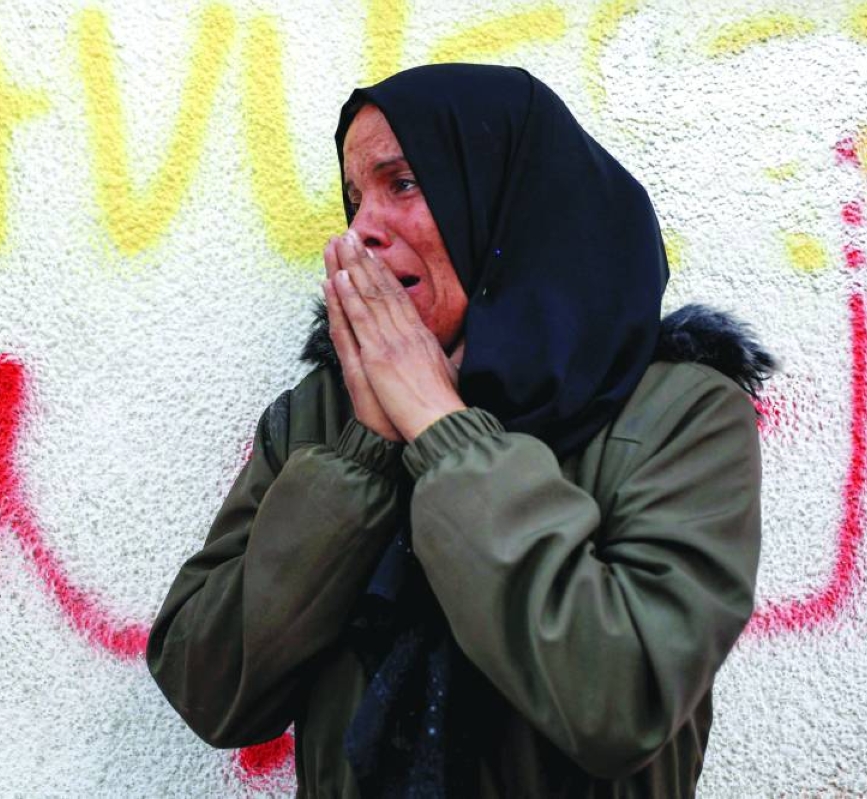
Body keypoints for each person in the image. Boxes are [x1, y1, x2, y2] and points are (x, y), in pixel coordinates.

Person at [147, 64, 773, 797]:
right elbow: (207, 686)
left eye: (402, 183)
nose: (365, 228)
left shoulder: (681, 414)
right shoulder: (322, 414)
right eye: (354, 199)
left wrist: (443, 433)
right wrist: (365, 459)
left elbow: (620, 697)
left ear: (504, 197)